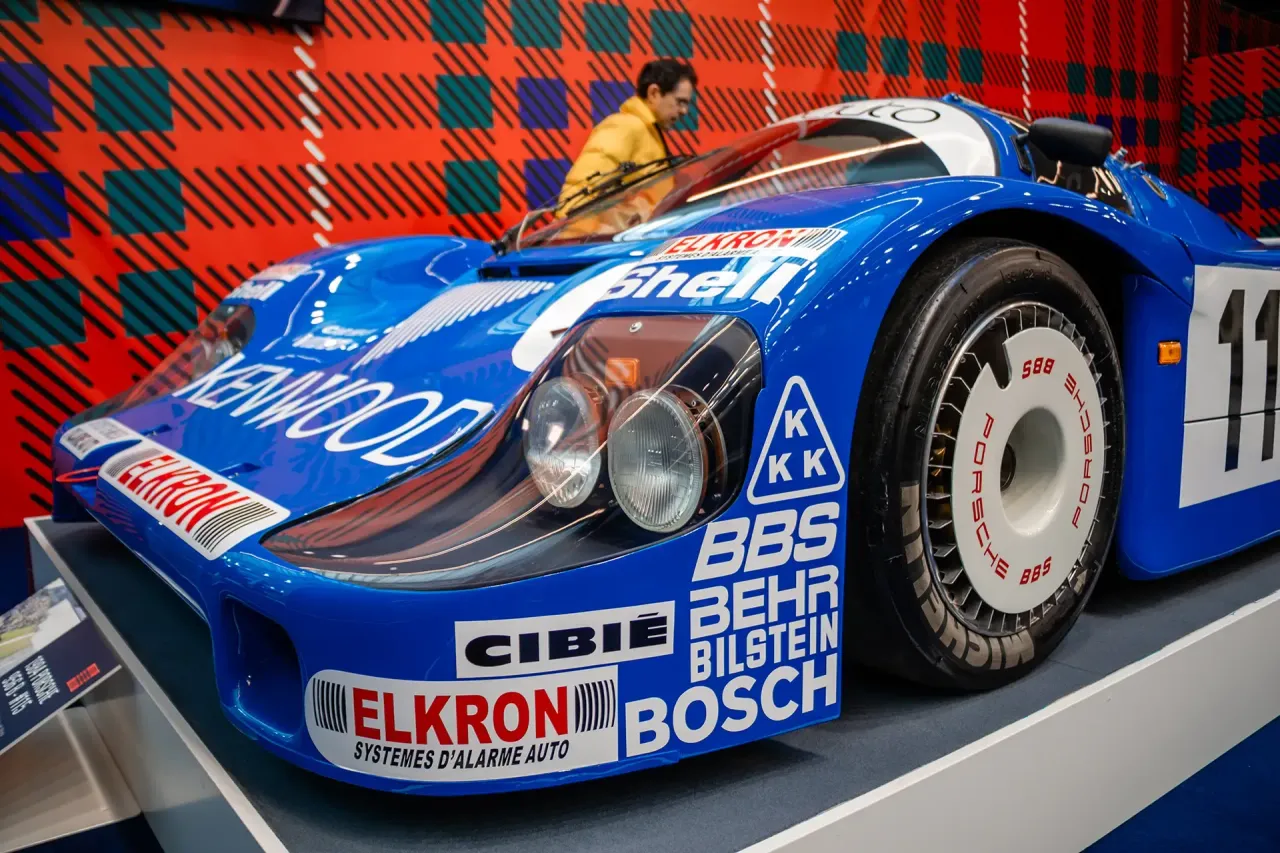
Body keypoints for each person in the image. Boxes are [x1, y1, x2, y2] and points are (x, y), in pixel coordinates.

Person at [557, 59, 697, 215]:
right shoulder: (627, 127)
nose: (684, 111)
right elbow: (578, 196)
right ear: (654, 93)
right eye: (680, 102)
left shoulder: (649, 134)